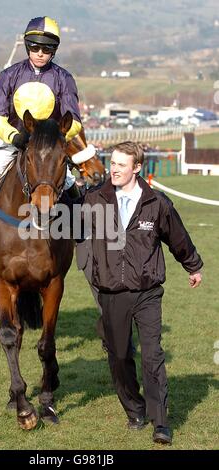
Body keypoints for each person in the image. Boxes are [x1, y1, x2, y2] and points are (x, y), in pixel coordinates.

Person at [83, 141, 203, 445]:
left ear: (137, 168)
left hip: (148, 292)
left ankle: (160, 421)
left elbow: (178, 237)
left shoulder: (156, 203)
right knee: (119, 356)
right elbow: (66, 224)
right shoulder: (94, 200)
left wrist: (193, 266)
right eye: (112, 163)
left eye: (121, 165)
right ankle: (134, 409)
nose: (113, 169)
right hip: (111, 293)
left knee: (153, 356)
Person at [0, 16, 86, 248]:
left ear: (54, 51)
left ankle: (77, 224)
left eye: (46, 48)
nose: (40, 53)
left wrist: (57, 139)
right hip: (15, 141)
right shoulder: (9, 75)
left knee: (70, 180)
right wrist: (15, 137)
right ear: (27, 46)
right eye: (35, 47)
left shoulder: (64, 78)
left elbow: (75, 122)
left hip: (48, 147)